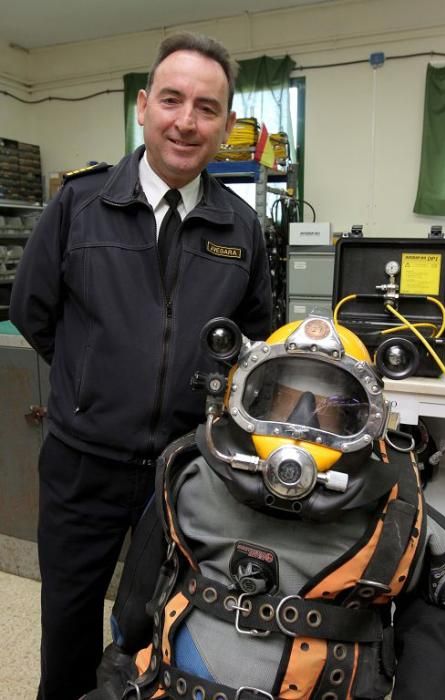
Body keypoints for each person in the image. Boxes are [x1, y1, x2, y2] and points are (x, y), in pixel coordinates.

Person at [9, 32, 272, 700]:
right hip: (81, 462)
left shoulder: (240, 229)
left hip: (185, 470)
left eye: (206, 107)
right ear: (142, 106)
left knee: (158, 621)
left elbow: (254, 340)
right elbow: (33, 312)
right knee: (68, 619)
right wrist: (90, 385)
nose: (186, 121)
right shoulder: (78, 204)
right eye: (172, 100)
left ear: (224, 125)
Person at [83, 314, 445, 700]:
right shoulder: (188, 477)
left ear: (364, 419)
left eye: (327, 407)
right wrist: (116, 675)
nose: (300, 422)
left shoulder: (401, 517)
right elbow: (138, 600)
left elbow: (438, 660)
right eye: (284, 400)